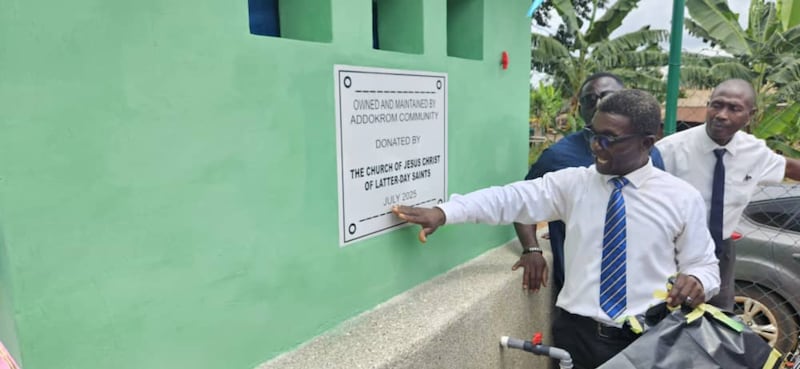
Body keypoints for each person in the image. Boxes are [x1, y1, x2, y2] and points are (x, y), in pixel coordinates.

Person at [394, 90, 720, 369]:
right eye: (593, 134)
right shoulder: (572, 184)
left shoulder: (680, 198)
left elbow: (704, 265)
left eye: (609, 139)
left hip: (649, 339)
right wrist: (445, 212)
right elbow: (509, 199)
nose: (596, 146)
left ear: (648, 142)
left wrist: (697, 280)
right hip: (579, 337)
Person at [656, 78, 800, 310]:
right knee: (666, 317)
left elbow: (790, 168)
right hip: (672, 248)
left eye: (734, 108)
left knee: (718, 319)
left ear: (750, 115)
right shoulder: (670, 150)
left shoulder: (754, 152)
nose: (722, 114)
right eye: (717, 105)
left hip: (721, 251)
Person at [514, 73, 664, 295]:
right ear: (580, 108)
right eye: (589, 99)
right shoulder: (557, 156)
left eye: (606, 96)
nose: (597, 103)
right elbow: (521, 202)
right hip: (578, 292)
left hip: (638, 290)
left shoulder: (646, 153)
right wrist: (532, 249)